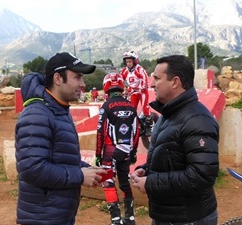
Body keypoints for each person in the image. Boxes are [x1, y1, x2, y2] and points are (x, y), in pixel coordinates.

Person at [15, 52, 107, 225]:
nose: (83, 84)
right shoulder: (37, 114)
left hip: (56, 215)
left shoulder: (58, 110)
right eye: (77, 77)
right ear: (58, 78)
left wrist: (89, 170)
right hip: (43, 218)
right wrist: (79, 176)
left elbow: (59, 157)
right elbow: (32, 168)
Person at [131, 55, 219, 225]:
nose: (151, 83)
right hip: (168, 215)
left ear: (175, 82)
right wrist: (147, 169)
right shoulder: (168, 115)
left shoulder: (197, 119)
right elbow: (171, 156)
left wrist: (152, 183)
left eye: (157, 78)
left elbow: (201, 176)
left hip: (189, 219)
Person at [96, 73, 140, 225]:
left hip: (110, 151)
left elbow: (100, 132)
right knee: (124, 182)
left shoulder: (106, 106)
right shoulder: (131, 106)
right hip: (126, 151)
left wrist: (97, 154)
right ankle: (130, 217)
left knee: (107, 182)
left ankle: (115, 220)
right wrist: (133, 152)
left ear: (106, 87)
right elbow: (136, 131)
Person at [120, 50, 152, 127]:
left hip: (142, 92)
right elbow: (120, 80)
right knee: (131, 109)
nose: (128, 64)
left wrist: (144, 87)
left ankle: (151, 125)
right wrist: (121, 89)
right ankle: (135, 124)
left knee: (145, 109)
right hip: (132, 92)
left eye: (130, 62)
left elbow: (145, 77)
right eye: (127, 62)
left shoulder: (139, 69)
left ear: (134, 61)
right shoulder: (125, 71)